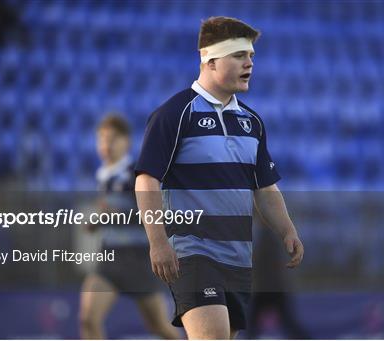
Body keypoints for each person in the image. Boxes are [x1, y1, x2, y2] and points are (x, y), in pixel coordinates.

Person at [134, 16, 304, 339]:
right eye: (240, 55)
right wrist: (157, 242)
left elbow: (265, 189)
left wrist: (287, 229)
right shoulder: (174, 114)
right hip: (192, 253)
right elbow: (146, 180)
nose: (249, 63)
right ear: (210, 60)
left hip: (239, 259)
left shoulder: (252, 122)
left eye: (252, 56)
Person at [79, 114, 179, 339]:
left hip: (138, 260)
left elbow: (157, 213)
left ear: (127, 142)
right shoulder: (104, 177)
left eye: (113, 139)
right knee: (88, 319)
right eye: (102, 139)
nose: (107, 145)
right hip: (109, 257)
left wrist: (119, 216)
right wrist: (96, 223)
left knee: (159, 327)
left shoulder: (135, 175)